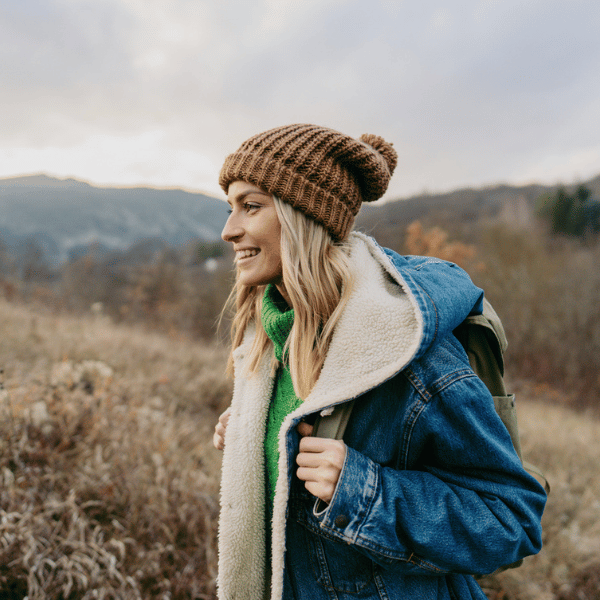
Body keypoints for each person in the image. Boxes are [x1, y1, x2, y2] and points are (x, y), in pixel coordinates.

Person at [212, 124, 546, 600]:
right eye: (229, 207)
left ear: (304, 214)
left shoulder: (407, 352)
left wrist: (362, 489)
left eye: (251, 205)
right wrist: (257, 433)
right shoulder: (270, 334)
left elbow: (510, 520)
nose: (229, 230)